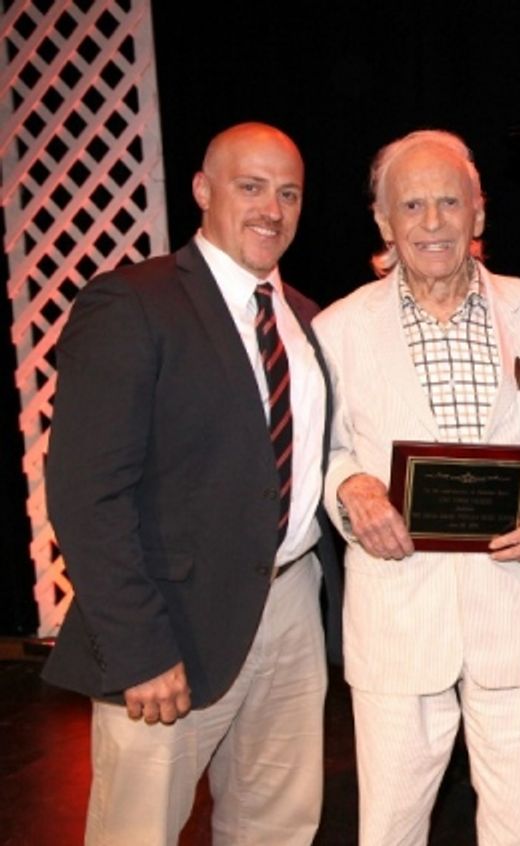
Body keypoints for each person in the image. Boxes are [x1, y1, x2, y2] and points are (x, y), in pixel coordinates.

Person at [43, 122, 341, 844]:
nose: (272, 208)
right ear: (203, 192)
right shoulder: (131, 304)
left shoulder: (306, 319)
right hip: (172, 622)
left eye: (289, 193)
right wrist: (139, 648)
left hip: (293, 607)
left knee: (277, 826)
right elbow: (86, 495)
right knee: (138, 830)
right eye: (251, 187)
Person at [314, 130, 520, 846]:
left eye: (448, 201)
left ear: (479, 213)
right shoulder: (337, 329)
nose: (432, 222)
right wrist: (352, 492)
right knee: (392, 829)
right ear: (383, 223)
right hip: (398, 617)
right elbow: (323, 449)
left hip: (518, 615)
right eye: (412, 205)